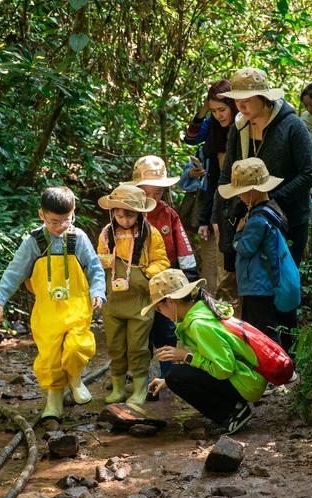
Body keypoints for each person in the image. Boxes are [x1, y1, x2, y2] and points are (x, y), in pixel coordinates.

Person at [213, 67, 312, 352]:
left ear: (263, 97)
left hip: (288, 221)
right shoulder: (239, 126)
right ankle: (266, 356)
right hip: (249, 217)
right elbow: (226, 175)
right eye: (237, 100)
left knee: (283, 287)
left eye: (247, 99)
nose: (241, 106)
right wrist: (218, 217)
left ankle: (291, 356)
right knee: (256, 292)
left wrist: (269, 201)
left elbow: (309, 173)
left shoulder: (292, 126)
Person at [0, 187, 105, 425]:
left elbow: (95, 268)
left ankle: (75, 378)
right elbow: (15, 272)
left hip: (76, 306)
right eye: (55, 221)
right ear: (42, 215)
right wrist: (0, 299)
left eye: (67, 220)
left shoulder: (79, 238)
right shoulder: (33, 242)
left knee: (77, 346)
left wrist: (98, 291)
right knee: (50, 357)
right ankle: (53, 399)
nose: (61, 226)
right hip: (47, 312)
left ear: (73, 213)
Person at [145, 269, 266, 435]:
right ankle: (233, 407)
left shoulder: (198, 325)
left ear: (171, 302)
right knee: (172, 377)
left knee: (175, 375)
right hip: (247, 377)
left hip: (246, 382)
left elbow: (223, 369)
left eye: (159, 309)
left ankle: (232, 413)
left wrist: (185, 356)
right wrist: (166, 381)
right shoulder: (202, 310)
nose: (161, 314)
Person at [124, 155, 196, 380]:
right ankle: (139, 378)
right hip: (137, 280)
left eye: (158, 193)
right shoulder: (127, 214)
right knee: (139, 328)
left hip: (166, 281)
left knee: (166, 327)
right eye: (147, 193)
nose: (153, 198)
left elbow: (183, 246)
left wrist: (190, 275)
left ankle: (166, 376)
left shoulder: (168, 214)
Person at [97, 184, 170, 405]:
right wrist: (105, 260)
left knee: (138, 345)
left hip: (140, 300)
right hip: (114, 301)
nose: (123, 219)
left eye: (128, 215)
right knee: (116, 345)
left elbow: (162, 261)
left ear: (139, 213)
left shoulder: (150, 234)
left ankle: (139, 389)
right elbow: (97, 258)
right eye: (118, 214)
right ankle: (118, 388)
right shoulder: (107, 233)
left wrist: (146, 274)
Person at [218, 158, 288, 344]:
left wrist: (238, 234)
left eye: (240, 193)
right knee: (262, 331)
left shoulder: (258, 220)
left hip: (258, 286)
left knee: (262, 333)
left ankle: (279, 370)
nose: (238, 197)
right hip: (263, 284)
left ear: (252, 191)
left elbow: (245, 249)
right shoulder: (272, 209)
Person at [182, 79, 238, 302]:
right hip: (215, 201)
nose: (218, 115)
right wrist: (204, 110)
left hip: (237, 204)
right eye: (213, 111)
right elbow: (190, 138)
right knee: (212, 268)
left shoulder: (245, 128)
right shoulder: (213, 130)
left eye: (222, 110)